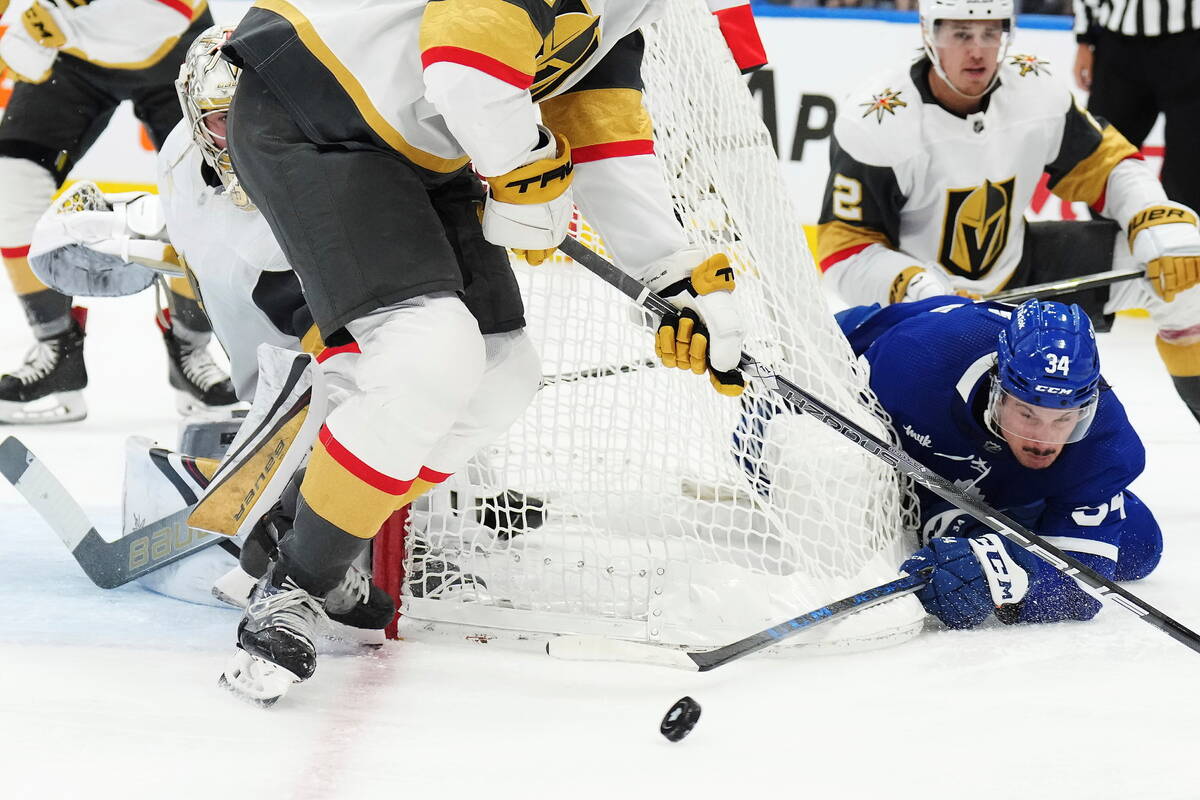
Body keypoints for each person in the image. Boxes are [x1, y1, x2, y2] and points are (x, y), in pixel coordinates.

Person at [212, 0, 745, 704]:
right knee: (431, 352)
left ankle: (313, 526)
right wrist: (521, 165)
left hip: (420, 145)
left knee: (502, 374)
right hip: (313, 114)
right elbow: (465, 48)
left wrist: (670, 272)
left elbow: (599, 130)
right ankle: (295, 590)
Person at [816, 0, 1200, 424]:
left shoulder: (1033, 87)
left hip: (1021, 270)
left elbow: (1106, 165)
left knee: (1188, 279)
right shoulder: (879, 120)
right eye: (960, 34)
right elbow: (845, 250)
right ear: (928, 34)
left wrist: (1152, 213)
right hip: (921, 308)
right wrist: (919, 289)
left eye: (990, 32)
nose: (977, 50)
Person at [838, 296, 1161, 629]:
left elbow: (1084, 586)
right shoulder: (914, 361)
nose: (1044, 439)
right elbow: (829, 387)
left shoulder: (1105, 442)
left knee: (1140, 543)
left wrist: (1004, 574)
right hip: (867, 340)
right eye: (1027, 413)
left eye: (1064, 419)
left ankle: (998, 514)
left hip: (988, 470)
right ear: (998, 389)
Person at [0, 0, 236, 422]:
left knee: (209, 188)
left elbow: (161, 13)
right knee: (10, 185)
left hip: (172, 49)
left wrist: (49, 27)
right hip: (72, 58)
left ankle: (190, 343)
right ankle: (57, 348)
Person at [1072, 0, 1200, 213]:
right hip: (1119, 45)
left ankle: (1185, 242)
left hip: (1192, 42)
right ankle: (1107, 243)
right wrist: (1084, 39)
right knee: (1103, 159)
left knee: (1189, 170)